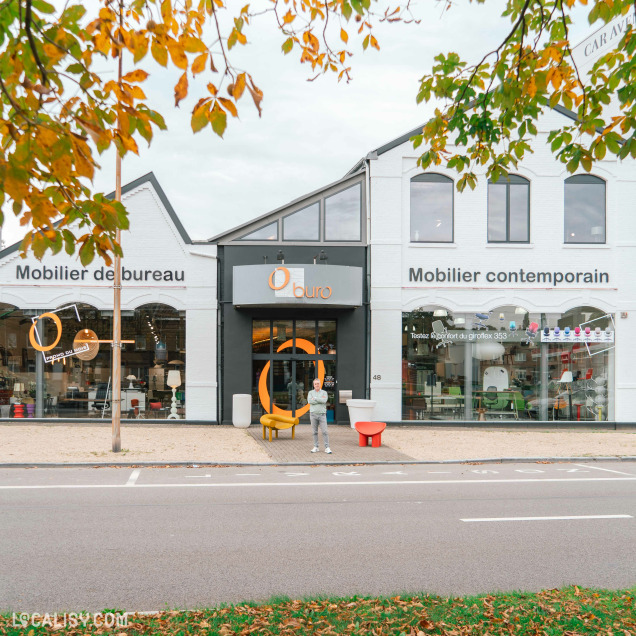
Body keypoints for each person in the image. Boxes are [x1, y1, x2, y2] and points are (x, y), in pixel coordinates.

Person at [307, 378, 331, 454]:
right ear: (313, 385)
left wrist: (316, 398)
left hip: (322, 415)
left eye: (318, 383)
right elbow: (310, 401)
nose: (317, 385)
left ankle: (327, 447)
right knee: (314, 432)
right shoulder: (310, 393)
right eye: (315, 384)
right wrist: (319, 399)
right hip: (313, 414)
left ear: (320, 384)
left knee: (325, 431)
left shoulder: (324, 392)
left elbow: (324, 401)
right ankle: (316, 447)